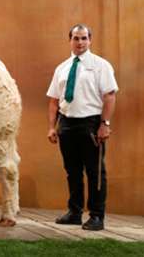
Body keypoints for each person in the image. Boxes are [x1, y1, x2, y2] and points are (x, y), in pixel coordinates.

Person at [46, 24, 118, 231]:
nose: (80, 43)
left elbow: (110, 96)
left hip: (91, 123)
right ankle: (75, 212)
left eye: (84, 38)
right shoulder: (62, 68)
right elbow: (53, 100)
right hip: (67, 124)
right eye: (76, 38)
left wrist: (104, 124)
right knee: (72, 171)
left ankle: (96, 216)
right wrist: (52, 127)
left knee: (95, 172)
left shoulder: (101, 65)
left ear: (90, 40)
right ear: (70, 40)